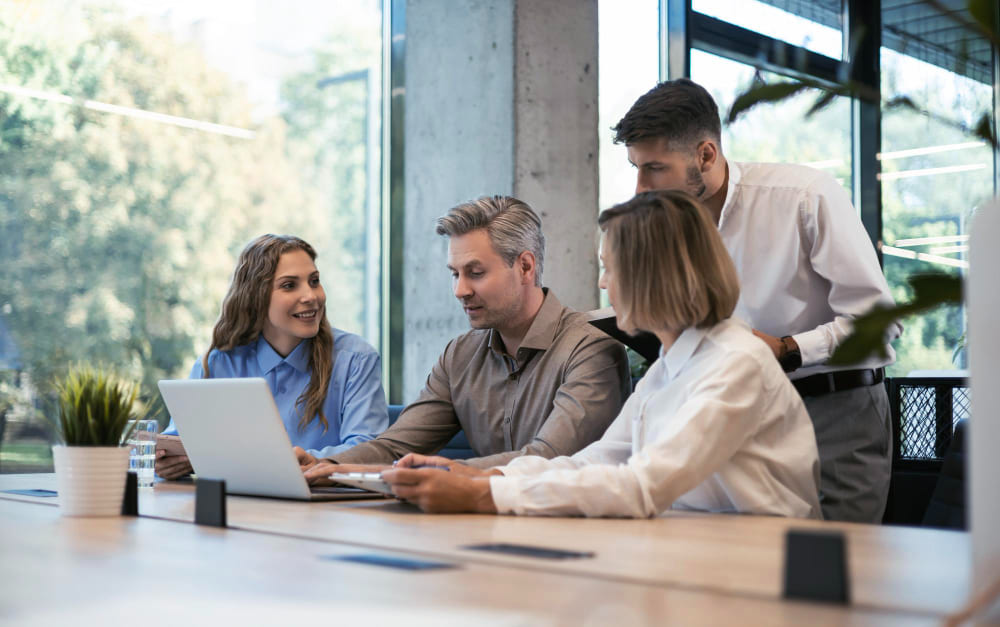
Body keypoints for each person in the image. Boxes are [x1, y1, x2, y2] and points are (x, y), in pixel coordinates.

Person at [375, 190, 822, 519]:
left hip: (762, 566)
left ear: (654, 276)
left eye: (610, 268)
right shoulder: (670, 366)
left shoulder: (736, 363)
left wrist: (480, 496)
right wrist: (474, 477)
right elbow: (595, 459)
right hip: (697, 549)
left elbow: (641, 485)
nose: (604, 284)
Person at [610, 79, 900, 523]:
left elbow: (879, 322)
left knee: (834, 571)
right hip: (731, 415)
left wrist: (788, 349)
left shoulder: (805, 197)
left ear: (705, 154)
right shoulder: (672, 229)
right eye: (636, 167)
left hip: (835, 410)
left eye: (654, 168)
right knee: (751, 565)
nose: (640, 187)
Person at [300, 195, 630, 481]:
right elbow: (395, 446)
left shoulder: (591, 350)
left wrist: (444, 472)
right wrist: (324, 465)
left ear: (526, 267)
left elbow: (548, 459)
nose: (460, 291)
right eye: (455, 274)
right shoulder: (460, 355)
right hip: (479, 526)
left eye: (475, 273)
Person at [155, 234, 388, 479]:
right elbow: (178, 441)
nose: (310, 296)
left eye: (314, 281)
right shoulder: (218, 362)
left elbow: (369, 451)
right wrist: (166, 462)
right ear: (256, 297)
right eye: (289, 285)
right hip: (237, 505)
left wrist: (309, 462)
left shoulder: (356, 359)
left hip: (325, 508)